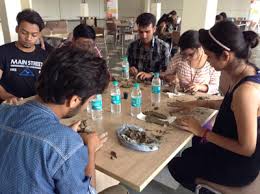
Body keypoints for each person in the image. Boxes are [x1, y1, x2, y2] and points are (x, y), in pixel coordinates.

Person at [0, 46, 129, 194]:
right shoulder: (67, 145)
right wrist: (90, 150)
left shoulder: (3, 111)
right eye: (90, 100)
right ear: (74, 100)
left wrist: (64, 136)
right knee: (120, 189)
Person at [167, 21, 260, 192]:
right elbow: (231, 104)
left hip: (239, 164)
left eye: (209, 56)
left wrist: (203, 131)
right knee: (193, 146)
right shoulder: (245, 71)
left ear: (225, 55)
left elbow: (247, 149)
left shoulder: (246, 92)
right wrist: (198, 102)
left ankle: (206, 188)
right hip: (232, 151)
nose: (207, 61)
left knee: (177, 165)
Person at [0, 9, 49, 103]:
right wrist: (7, 95)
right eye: (24, 33)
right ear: (17, 29)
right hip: (8, 106)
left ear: (39, 34)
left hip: (35, 106)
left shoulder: (45, 56)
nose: (28, 38)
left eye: (34, 35)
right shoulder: (3, 52)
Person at [163, 30, 220, 94]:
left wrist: (199, 87)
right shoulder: (179, 57)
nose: (186, 57)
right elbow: (166, 75)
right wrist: (171, 78)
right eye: (184, 54)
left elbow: (215, 87)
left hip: (203, 100)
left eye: (191, 54)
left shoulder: (210, 61)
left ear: (200, 48)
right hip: (180, 97)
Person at [127, 13, 170, 81]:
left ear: (154, 29)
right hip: (136, 84)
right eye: (141, 32)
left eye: (147, 32)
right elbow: (128, 65)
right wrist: (130, 69)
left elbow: (166, 73)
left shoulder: (163, 47)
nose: (144, 36)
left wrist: (151, 75)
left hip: (155, 85)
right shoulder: (132, 46)